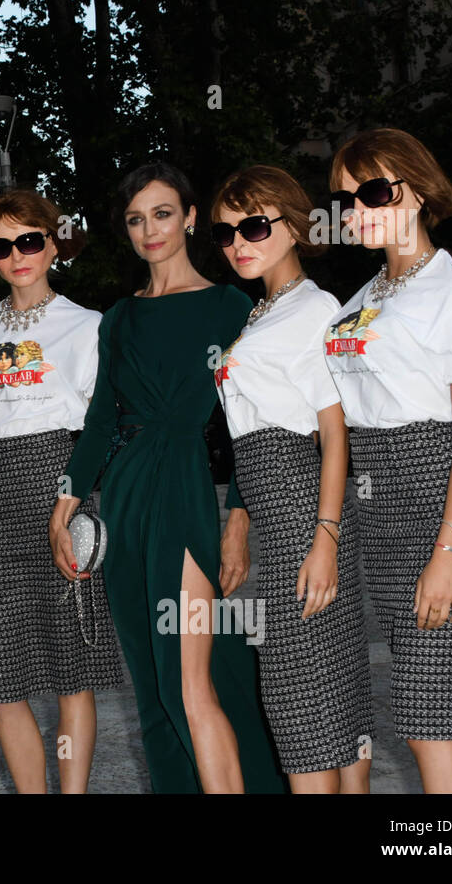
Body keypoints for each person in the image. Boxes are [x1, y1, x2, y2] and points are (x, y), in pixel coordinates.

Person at [50, 162, 285, 793]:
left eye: (162, 213)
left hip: (184, 492)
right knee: (152, 687)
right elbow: (100, 422)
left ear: (188, 217)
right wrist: (67, 498)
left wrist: (237, 522)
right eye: (135, 219)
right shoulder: (119, 318)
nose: (149, 230)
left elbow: (253, 426)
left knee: (192, 682)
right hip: (124, 498)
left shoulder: (229, 306)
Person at [323, 127, 452, 793]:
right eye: (346, 197)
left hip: (439, 504)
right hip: (382, 510)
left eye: (372, 191)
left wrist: (449, 551)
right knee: (444, 713)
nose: (356, 209)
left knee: (426, 716)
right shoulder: (361, 299)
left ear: (419, 190)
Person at [211, 165, 373, 792]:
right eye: (226, 234)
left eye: (253, 226)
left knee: (302, 703)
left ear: (294, 226)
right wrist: (239, 520)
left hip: (305, 514)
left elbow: (334, 434)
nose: (238, 244)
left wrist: (325, 539)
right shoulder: (262, 314)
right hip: (276, 512)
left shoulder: (315, 308)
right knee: (325, 702)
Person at [0, 189, 126, 793]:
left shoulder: (87, 327)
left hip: (65, 488)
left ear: (53, 244)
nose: (18, 255)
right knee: (4, 676)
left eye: (30, 240)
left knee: (70, 671)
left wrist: (75, 505)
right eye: (2, 246)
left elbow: (100, 430)